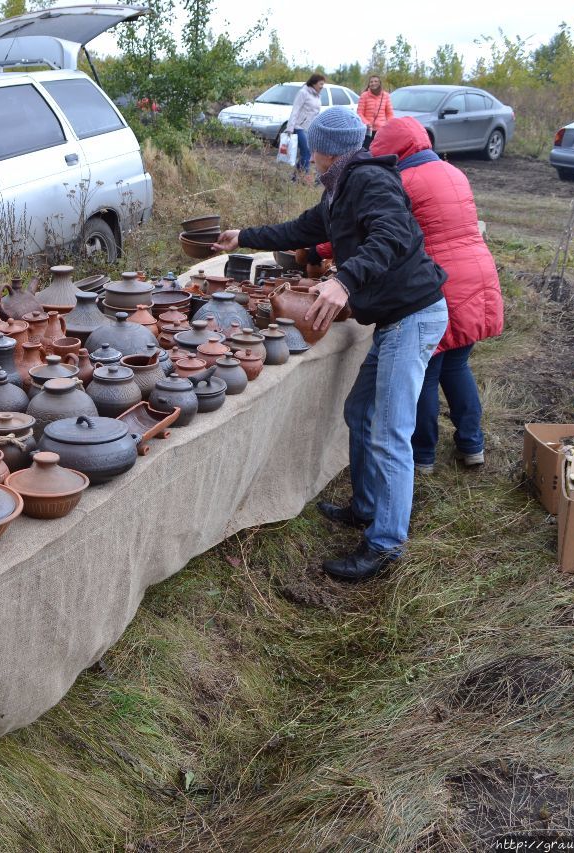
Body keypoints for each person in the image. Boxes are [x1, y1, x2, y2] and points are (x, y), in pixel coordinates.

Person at [212, 109, 449, 581]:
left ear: (323, 148)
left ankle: (385, 546)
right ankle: (366, 507)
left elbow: (394, 235)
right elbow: (301, 230)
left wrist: (344, 280)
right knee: (360, 413)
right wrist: (245, 238)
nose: (308, 151)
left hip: (413, 316)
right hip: (395, 319)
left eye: (311, 144)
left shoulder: (369, 181)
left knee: (389, 433)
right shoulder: (340, 189)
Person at [369, 116, 504, 474]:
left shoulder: (403, 181)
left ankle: (422, 456)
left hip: (441, 282)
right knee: (457, 365)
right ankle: (472, 445)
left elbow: (374, 228)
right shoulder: (452, 171)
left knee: (426, 370)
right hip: (478, 273)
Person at [288, 74, 325, 180]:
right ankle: (304, 177)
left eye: (323, 84)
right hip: (299, 126)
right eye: (321, 84)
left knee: (306, 153)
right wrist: (290, 127)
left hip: (310, 128)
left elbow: (316, 113)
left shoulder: (318, 96)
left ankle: (295, 177)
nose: (322, 86)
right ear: (314, 83)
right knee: (307, 152)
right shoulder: (303, 92)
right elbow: (295, 110)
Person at [356, 74, 393, 145]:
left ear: (379, 83)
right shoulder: (364, 95)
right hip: (367, 130)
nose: (373, 83)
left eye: (376, 81)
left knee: (379, 150)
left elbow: (390, 114)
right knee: (366, 149)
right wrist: (367, 123)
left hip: (381, 131)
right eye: (371, 82)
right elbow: (359, 113)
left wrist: (387, 125)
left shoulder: (386, 96)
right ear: (369, 84)